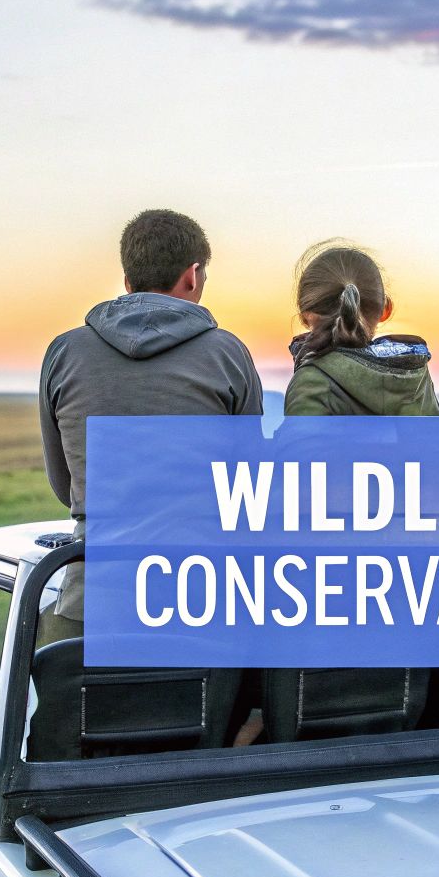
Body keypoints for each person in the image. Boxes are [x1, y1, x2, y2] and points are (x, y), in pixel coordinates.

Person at [38, 209, 263, 626]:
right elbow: (247, 489)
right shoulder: (228, 354)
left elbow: (64, 485)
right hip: (201, 601)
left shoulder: (64, 352)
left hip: (93, 601)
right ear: (192, 275)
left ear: (128, 281)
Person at [284, 241, 439, 417]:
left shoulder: (312, 382)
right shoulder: (414, 375)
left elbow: (302, 435)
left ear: (305, 316)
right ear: (385, 309)